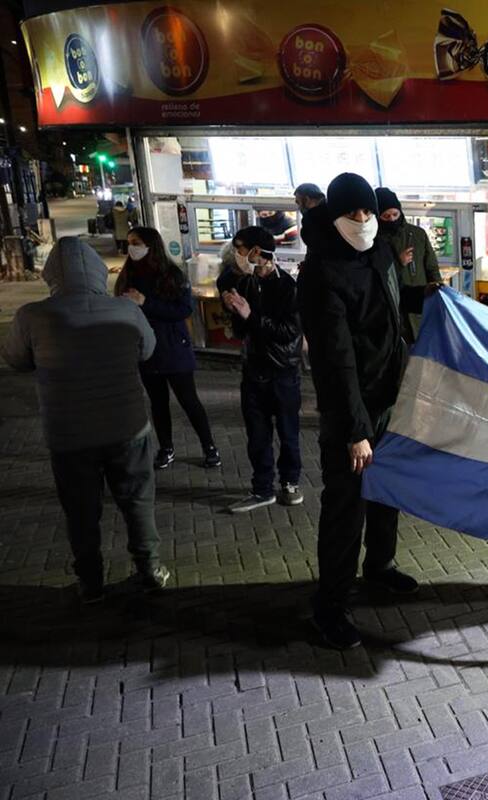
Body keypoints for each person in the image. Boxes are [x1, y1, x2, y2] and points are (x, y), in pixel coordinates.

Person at [298, 172, 435, 650]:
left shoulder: (377, 251)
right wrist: (355, 429)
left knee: (386, 493)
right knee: (346, 508)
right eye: (352, 213)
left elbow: (390, 310)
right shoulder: (319, 273)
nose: (362, 220)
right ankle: (330, 607)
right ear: (333, 217)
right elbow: (334, 361)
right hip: (349, 414)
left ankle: (380, 566)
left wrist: (430, 299)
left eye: (367, 212)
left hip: (387, 399)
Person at [3, 237, 170, 601]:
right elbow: (149, 349)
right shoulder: (125, 310)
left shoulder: (33, 315)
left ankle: (91, 582)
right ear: (97, 271)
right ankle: (150, 569)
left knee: (80, 511)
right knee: (138, 501)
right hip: (127, 426)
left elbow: (15, 360)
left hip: (69, 434)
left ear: (51, 275)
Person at [116, 226, 221, 470]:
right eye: (130, 241)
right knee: (158, 403)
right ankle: (166, 448)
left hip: (173, 348)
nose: (132, 247)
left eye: (137, 242)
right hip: (144, 349)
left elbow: (183, 310)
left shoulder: (171, 274)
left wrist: (145, 303)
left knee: (188, 400)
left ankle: (209, 447)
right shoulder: (128, 274)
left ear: (151, 245)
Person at [217, 226, 304, 513]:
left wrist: (251, 315)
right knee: (257, 434)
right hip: (253, 371)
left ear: (256, 252)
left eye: (240, 248)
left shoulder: (288, 287)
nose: (236, 254)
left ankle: (290, 483)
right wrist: (232, 309)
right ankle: (262, 488)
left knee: (288, 432)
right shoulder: (244, 283)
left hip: (282, 372)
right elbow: (242, 331)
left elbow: (287, 332)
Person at [375, 187, 442, 342]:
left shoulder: (417, 235)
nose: (391, 219)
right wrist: (398, 262)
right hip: (394, 313)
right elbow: (377, 277)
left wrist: (438, 291)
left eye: (394, 214)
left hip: (419, 307)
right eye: (386, 216)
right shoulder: (375, 242)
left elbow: (431, 268)